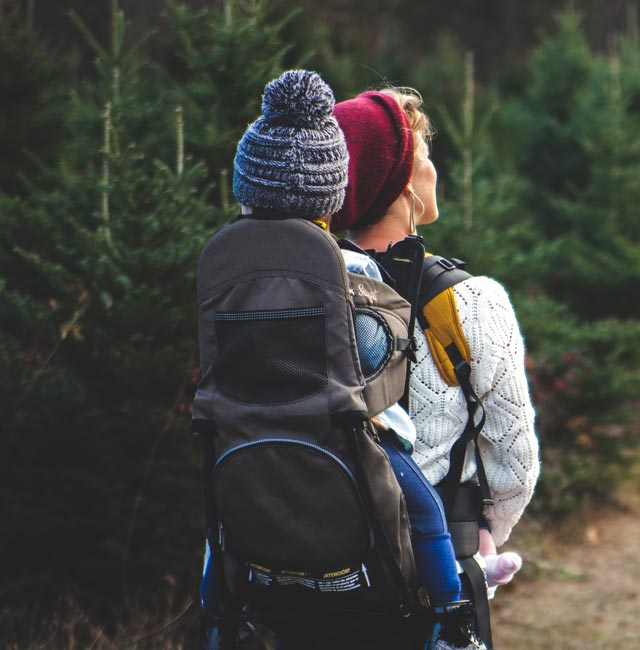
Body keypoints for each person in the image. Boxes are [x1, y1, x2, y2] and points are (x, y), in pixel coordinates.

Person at [199, 69, 481, 650]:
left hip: (240, 431)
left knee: (219, 524)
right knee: (421, 506)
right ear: (330, 193)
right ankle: (453, 619)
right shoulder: (346, 270)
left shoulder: (226, 268)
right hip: (339, 432)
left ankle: (216, 618)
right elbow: (375, 353)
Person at [330, 86, 539, 604]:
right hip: (435, 570)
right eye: (424, 157)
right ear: (402, 184)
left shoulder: (307, 292)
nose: (433, 170)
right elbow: (516, 463)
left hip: (321, 566)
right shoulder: (472, 302)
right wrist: (479, 538)